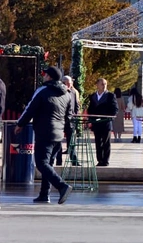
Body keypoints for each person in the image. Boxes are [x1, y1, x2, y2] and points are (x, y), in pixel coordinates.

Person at [15, 65, 73, 204]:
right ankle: (44, 194)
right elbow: (68, 116)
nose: (44, 76)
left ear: (49, 77)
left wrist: (20, 124)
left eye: (45, 74)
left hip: (45, 132)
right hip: (58, 134)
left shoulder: (43, 90)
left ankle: (62, 186)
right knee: (48, 164)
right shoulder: (66, 94)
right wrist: (65, 132)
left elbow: (30, 108)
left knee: (41, 164)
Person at [87, 77, 118, 166]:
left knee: (106, 142)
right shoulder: (93, 96)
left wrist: (110, 117)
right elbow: (90, 109)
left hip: (106, 123)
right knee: (98, 142)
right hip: (96, 123)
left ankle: (105, 160)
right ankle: (99, 160)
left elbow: (115, 109)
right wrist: (91, 119)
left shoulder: (110, 96)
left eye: (105, 84)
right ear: (97, 85)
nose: (104, 86)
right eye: (102, 84)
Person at [56, 75, 80, 166]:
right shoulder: (58, 92)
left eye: (70, 83)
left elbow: (76, 105)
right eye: (66, 83)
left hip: (71, 120)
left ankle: (74, 160)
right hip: (60, 119)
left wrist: (75, 115)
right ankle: (58, 160)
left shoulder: (73, 92)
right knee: (58, 141)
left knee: (71, 142)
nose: (68, 85)